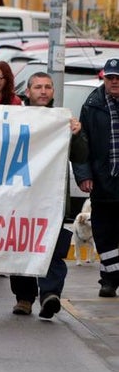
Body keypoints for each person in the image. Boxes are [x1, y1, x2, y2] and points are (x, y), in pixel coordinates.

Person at [10, 72, 86, 318]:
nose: (43, 91)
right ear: (28, 92)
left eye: (47, 87)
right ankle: (24, 297)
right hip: (21, 198)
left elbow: (81, 156)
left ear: (53, 92)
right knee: (21, 246)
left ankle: (49, 295)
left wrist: (76, 135)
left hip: (51, 200)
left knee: (52, 249)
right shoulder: (16, 119)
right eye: (38, 87)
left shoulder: (62, 121)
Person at [75, 58, 119, 299]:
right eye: (110, 78)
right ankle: (110, 281)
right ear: (104, 79)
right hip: (103, 180)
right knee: (103, 234)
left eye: (118, 78)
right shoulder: (92, 104)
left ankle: (111, 278)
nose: (114, 82)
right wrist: (83, 175)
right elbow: (82, 144)